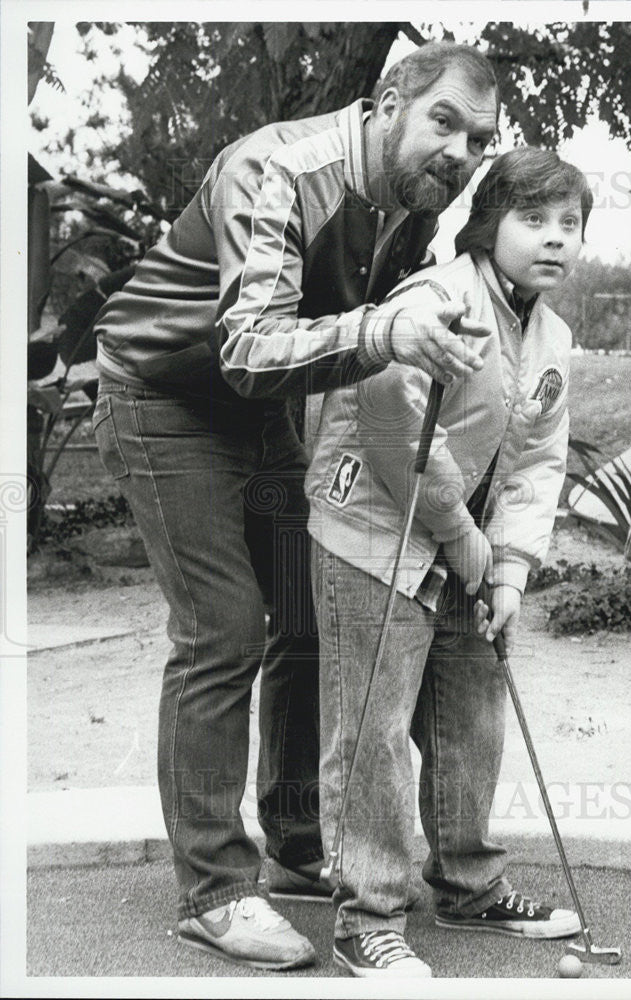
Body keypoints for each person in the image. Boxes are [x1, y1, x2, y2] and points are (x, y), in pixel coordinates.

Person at [90, 42, 499, 970]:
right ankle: (214, 891)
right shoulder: (279, 168)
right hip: (165, 395)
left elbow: (353, 348)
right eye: (444, 121)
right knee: (222, 627)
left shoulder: (414, 210)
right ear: (389, 100)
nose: (461, 152)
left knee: (308, 613)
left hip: (260, 414)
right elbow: (249, 346)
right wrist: (386, 330)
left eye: (479, 139)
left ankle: (296, 842)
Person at [305, 146, 594, 977]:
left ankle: (468, 885)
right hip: (372, 526)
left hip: (462, 540)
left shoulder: (552, 335)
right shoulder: (437, 299)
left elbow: (539, 463)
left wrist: (507, 569)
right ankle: (366, 914)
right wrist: (465, 540)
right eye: (532, 219)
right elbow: (392, 426)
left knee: (471, 711)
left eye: (568, 225)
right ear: (487, 223)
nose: (553, 240)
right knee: (375, 727)